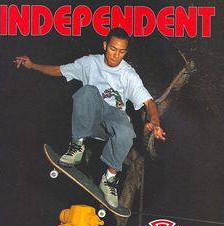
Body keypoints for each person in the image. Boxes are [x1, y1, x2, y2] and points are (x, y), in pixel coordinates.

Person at [14, 27, 166, 211]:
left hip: (112, 120)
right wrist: (33, 65)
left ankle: (109, 180)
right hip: (90, 119)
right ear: (105, 45)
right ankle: (77, 145)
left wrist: (155, 123)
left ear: (126, 52)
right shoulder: (89, 63)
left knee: (127, 131)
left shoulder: (129, 74)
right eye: (113, 49)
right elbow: (59, 70)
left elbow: (149, 102)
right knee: (87, 91)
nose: (116, 55)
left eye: (121, 52)